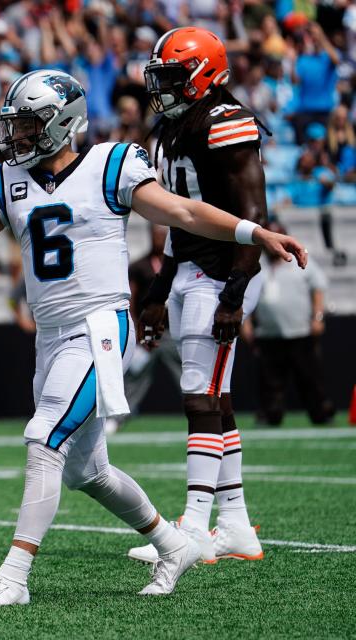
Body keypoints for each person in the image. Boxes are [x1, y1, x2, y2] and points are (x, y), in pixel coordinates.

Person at [0, 69, 307, 605]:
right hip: (51, 334)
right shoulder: (3, 180)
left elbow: (182, 211)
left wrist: (253, 231)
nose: (16, 136)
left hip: (99, 326)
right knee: (89, 470)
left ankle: (13, 576)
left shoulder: (112, 164)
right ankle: (171, 543)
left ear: (62, 124)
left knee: (44, 439)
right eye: (13, 125)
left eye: (29, 125)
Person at [130, 27, 273, 564]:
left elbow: (253, 216)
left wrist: (235, 292)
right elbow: (181, 222)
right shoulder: (172, 128)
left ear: (203, 74)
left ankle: (192, 526)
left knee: (199, 396)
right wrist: (158, 288)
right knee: (216, 396)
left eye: (171, 76)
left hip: (224, 272)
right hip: (193, 269)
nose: (161, 87)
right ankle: (233, 524)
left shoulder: (225, 122)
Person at [246, 222, 335, 427]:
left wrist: (318, 317)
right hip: (268, 335)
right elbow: (246, 297)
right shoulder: (257, 265)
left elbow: (318, 287)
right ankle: (270, 415)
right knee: (269, 381)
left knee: (310, 378)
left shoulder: (301, 261)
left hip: (300, 332)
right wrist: (247, 324)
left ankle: (321, 412)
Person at [106, 223, 182, 435]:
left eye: (162, 234)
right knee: (135, 376)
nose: (159, 238)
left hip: (172, 331)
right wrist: (134, 325)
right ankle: (118, 417)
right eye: (155, 234)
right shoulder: (140, 265)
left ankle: (199, 413)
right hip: (147, 331)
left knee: (186, 373)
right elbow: (132, 296)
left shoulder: (176, 265)